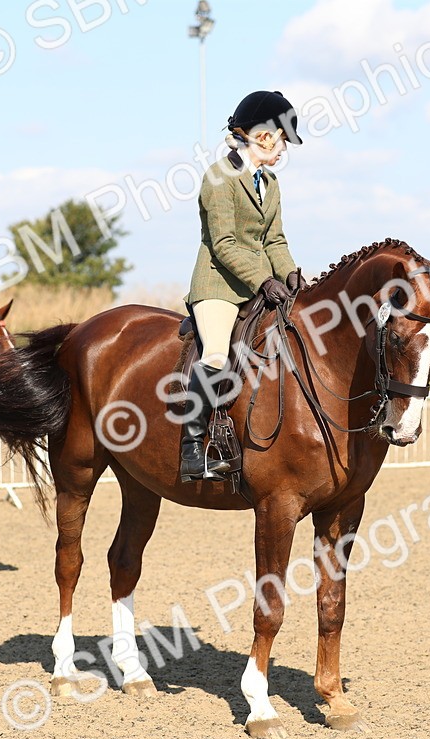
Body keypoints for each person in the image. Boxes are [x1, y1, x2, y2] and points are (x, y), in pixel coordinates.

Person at [182, 90, 304, 482]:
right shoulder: (219, 177)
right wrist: (264, 280)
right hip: (219, 285)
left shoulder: (270, 183)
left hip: (261, 285)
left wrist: (291, 275)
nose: (283, 150)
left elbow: (275, 241)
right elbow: (224, 244)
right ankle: (192, 448)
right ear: (264, 136)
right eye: (283, 141)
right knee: (217, 357)